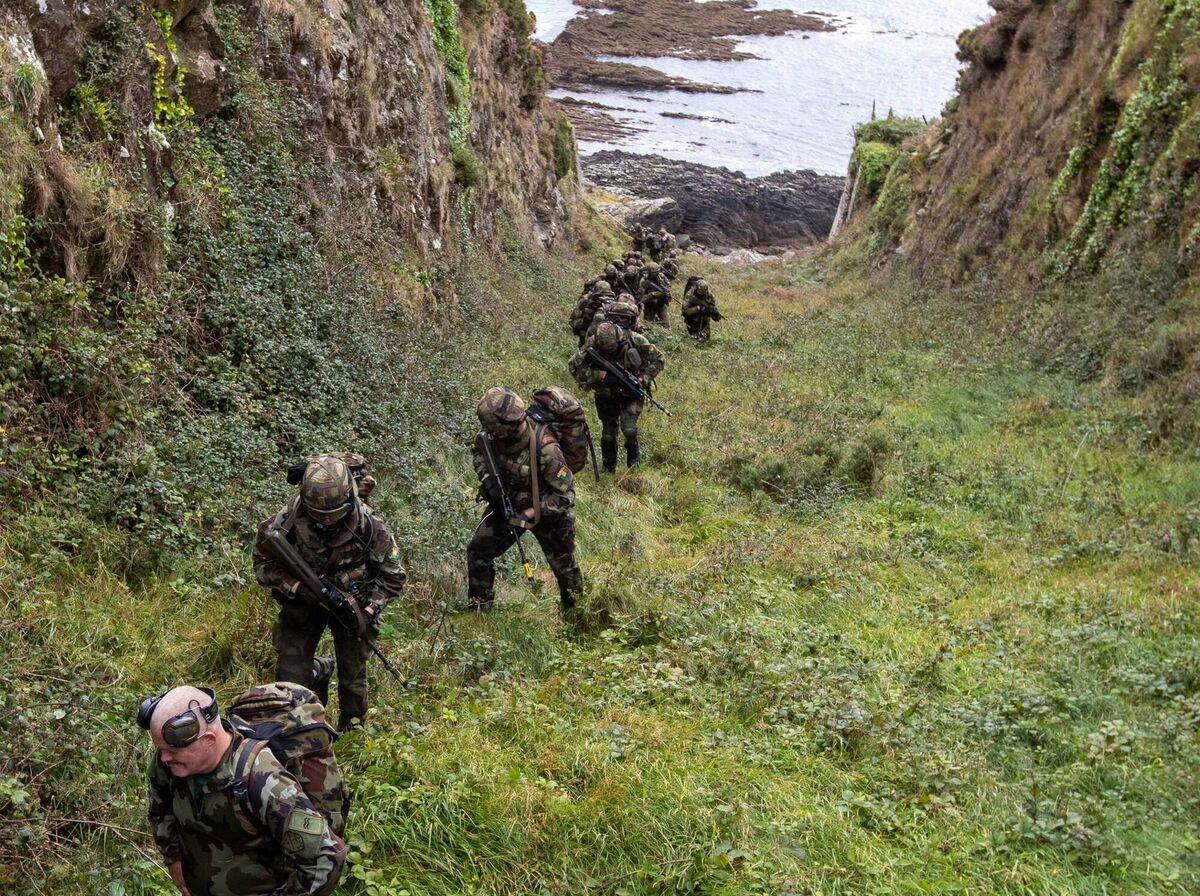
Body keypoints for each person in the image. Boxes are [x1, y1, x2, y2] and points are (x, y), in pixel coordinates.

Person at [142, 685, 347, 896]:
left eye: (172, 751)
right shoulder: (169, 764)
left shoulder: (264, 782)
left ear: (208, 740)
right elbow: (160, 809)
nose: (164, 758)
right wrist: (173, 858)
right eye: (161, 750)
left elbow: (327, 857)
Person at [253, 454, 406, 731]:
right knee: (290, 677)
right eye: (320, 518)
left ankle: (352, 729)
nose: (327, 524)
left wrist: (369, 611)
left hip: (353, 607)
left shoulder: (371, 528)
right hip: (302, 605)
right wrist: (298, 589)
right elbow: (263, 565)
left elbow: (393, 576)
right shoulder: (285, 523)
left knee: (353, 675)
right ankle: (298, 732)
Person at [468, 387, 582, 614]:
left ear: (506, 426)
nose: (488, 431)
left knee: (565, 570)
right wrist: (489, 479)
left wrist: (532, 512)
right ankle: (480, 609)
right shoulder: (494, 435)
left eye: (492, 428)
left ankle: (576, 616)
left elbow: (565, 495)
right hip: (507, 504)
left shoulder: (546, 449)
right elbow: (479, 452)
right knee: (478, 549)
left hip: (548, 515)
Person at [570, 321, 665, 471]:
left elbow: (659, 360)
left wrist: (643, 378)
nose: (610, 353)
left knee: (629, 428)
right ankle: (608, 466)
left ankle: (634, 460)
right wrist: (598, 375)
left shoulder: (636, 340)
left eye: (613, 349)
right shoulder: (592, 344)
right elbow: (575, 368)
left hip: (631, 392)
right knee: (608, 433)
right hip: (606, 394)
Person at [638, 262, 673, 327]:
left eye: (657, 272)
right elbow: (641, 299)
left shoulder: (662, 277)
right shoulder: (644, 281)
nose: (655, 274)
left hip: (660, 304)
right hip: (649, 305)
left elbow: (668, 289)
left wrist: (661, 294)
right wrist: (651, 295)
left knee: (666, 325)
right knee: (648, 326)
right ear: (649, 271)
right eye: (653, 272)